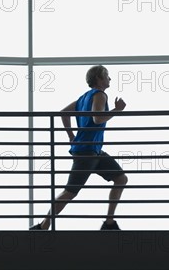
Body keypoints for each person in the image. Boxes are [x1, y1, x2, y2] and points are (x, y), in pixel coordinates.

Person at [30, 65, 128, 230]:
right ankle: (43, 226)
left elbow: (63, 113)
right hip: (87, 152)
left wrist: (71, 136)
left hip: (93, 151)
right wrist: (117, 110)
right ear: (99, 78)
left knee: (121, 179)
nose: (109, 79)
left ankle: (109, 223)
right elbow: (98, 119)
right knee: (70, 191)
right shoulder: (100, 95)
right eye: (107, 76)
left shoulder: (83, 98)